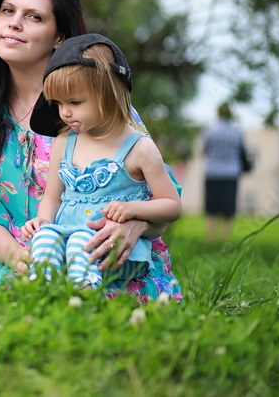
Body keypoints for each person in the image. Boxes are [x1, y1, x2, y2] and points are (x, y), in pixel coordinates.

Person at [0, 0, 183, 301]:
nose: (14, 22)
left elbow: (163, 196)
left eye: (34, 16)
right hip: (29, 264)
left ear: (58, 37)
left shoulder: (101, 107)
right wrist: (28, 265)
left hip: (110, 262)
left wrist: (135, 224)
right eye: (7, 11)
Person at [21, 34, 182, 287]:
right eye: (59, 103)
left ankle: (84, 294)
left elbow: (172, 205)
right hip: (70, 235)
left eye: (75, 102)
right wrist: (43, 221)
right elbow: (52, 197)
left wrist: (132, 210)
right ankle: (43, 289)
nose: (65, 112)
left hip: (116, 248)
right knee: (45, 237)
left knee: (78, 242)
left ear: (108, 94)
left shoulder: (139, 149)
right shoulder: (64, 143)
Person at [202, 102, 249, 242]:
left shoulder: (210, 131)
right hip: (231, 173)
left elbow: (204, 149)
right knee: (228, 209)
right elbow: (244, 151)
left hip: (212, 172)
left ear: (218, 113)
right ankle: (225, 239)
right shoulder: (236, 132)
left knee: (212, 208)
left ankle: (210, 239)